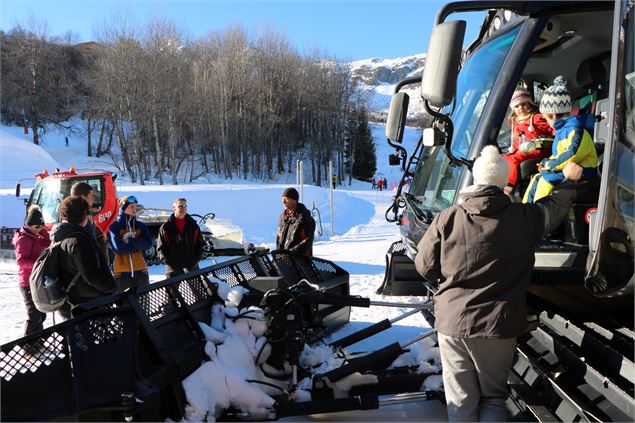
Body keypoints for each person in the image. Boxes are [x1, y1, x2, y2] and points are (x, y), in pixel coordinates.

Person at [415, 146, 581, 422]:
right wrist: (569, 182)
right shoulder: (523, 218)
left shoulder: (448, 217)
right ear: (503, 182)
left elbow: (424, 267)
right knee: (493, 398)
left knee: (460, 399)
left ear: (474, 180)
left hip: (452, 324)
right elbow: (553, 209)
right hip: (498, 326)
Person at [523, 76, 599, 203]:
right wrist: (545, 163)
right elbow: (559, 154)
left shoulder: (575, 130)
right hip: (570, 167)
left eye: (546, 118)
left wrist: (549, 165)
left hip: (584, 170)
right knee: (537, 177)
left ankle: (538, 214)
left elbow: (572, 154)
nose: (547, 122)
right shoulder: (562, 131)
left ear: (553, 115)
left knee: (545, 181)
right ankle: (525, 210)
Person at [54, 196, 116, 319]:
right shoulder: (81, 241)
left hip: (70, 301)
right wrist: (111, 286)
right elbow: (91, 275)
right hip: (88, 304)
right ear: (84, 215)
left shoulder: (60, 238)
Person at [501, 88, 555, 193]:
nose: (520, 108)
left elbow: (553, 128)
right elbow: (517, 141)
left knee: (514, 159)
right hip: (522, 149)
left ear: (530, 104)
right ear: (513, 109)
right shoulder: (514, 122)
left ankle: (509, 185)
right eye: (517, 106)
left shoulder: (536, 118)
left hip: (536, 149)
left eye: (524, 104)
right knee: (503, 158)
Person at [12, 206, 51, 335]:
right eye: (37, 227)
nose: (39, 230)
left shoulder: (36, 235)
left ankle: (38, 342)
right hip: (27, 281)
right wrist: (38, 264)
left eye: (41, 227)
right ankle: (28, 345)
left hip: (37, 280)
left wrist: (43, 231)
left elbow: (47, 244)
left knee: (41, 313)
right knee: (34, 314)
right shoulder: (23, 239)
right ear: (29, 225)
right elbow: (21, 261)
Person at [108, 195, 153, 292]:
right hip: (121, 274)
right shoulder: (115, 227)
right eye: (131, 206)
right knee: (124, 306)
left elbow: (148, 244)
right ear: (123, 209)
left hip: (141, 272)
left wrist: (131, 241)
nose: (134, 209)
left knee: (143, 305)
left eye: (135, 206)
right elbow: (118, 249)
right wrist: (137, 246)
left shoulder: (140, 226)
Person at [157, 198, 204, 278]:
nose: (183, 208)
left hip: (192, 266)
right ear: (174, 208)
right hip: (172, 269)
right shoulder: (166, 227)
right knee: (171, 291)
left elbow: (200, 245)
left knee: (199, 290)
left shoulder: (193, 226)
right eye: (180, 206)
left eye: (185, 206)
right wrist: (171, 264)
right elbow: (161, 249)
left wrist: (195, 261)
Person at [70, 182, 110, 262]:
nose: (93, 199)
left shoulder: (85, 216)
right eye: (91, 196)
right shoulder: (78, 219)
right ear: (82, 198)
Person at [276, 187, 316, 256]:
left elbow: (306, 242)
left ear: (294, 200)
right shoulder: (283, 217)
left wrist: (290, 254)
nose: (283, 202)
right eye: (282, 199)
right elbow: (279, 239)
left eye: (286, 199)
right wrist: (278, 255)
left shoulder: (305, 218)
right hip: (284, 261)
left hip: (300, 263)